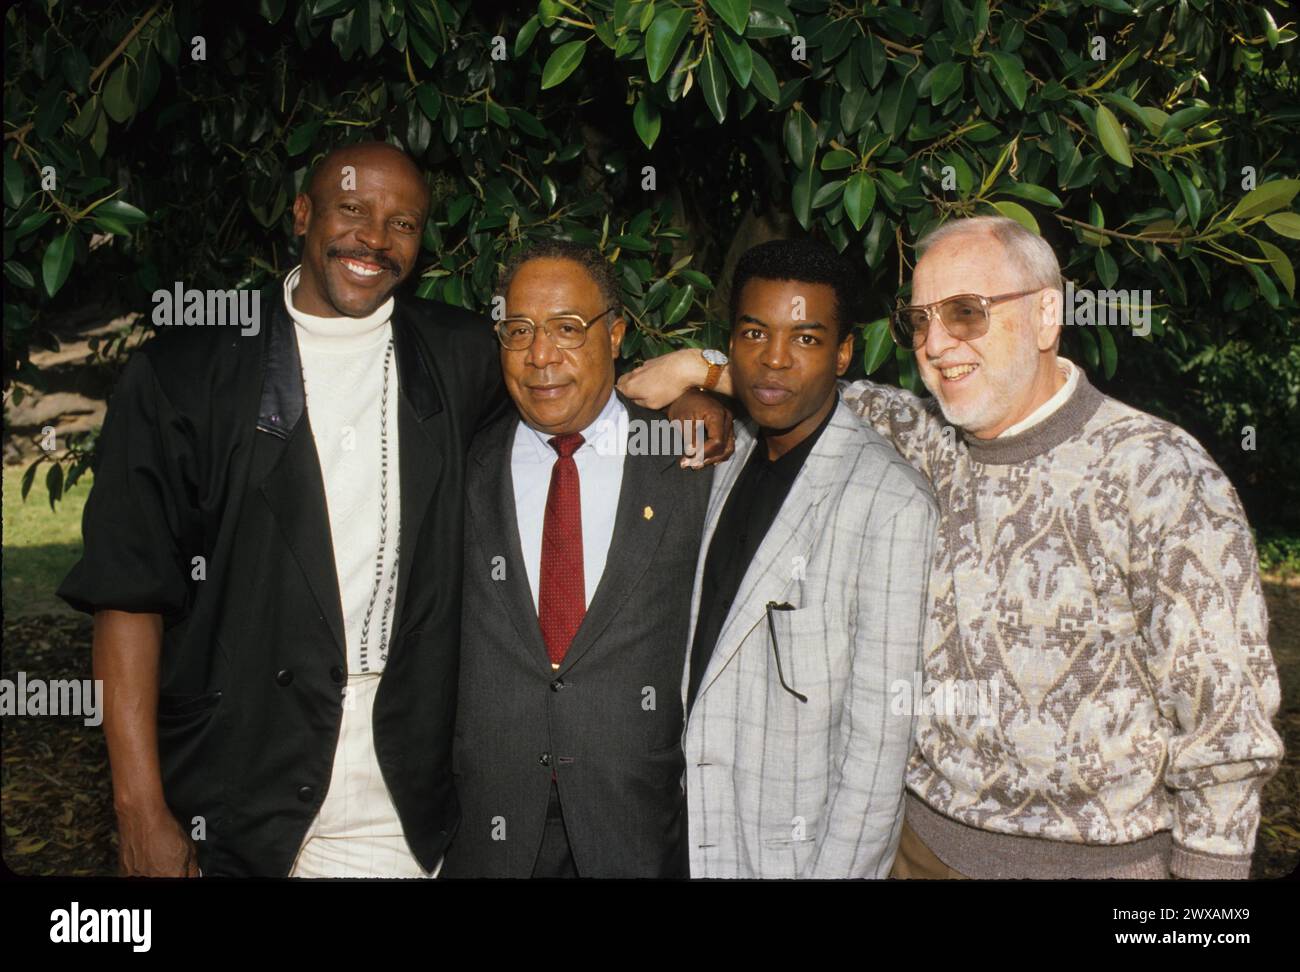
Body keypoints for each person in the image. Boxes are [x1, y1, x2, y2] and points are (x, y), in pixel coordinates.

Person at [58, 140, 730, 878]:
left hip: (403, 795)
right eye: (352, 210)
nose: (374, 238)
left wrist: (697, 380)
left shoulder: (455, 355)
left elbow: (570, 384)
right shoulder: (186, 375)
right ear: (302, 213)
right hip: (235, 785)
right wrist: (139, 809)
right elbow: (128, 594)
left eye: (402, 223)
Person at [620, 216, 1284, 879]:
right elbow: (803, 384)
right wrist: (702, 375)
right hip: (919, 852)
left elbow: (1225, 737)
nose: (937, 344)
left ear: (1047, 316)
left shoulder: (1159, 473)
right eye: (920, 320)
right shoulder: (927, 442)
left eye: (967, 313)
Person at [442, 241, 710, 878]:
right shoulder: (458, 464)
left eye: (567, 328)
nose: (541, 356)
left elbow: (800, 395)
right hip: (486, 833)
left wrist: (710, 373)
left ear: (615, 335)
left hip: (638, 830)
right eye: (519, 331)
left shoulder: (688, 459)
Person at [679, 239, 938, 878]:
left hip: (788, 857)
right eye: (754, 332)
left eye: (806, 339)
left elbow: (879, 749)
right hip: (686, 834)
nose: (773, 360)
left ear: (844, 352)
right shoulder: (722, 455)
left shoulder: (890, 502)